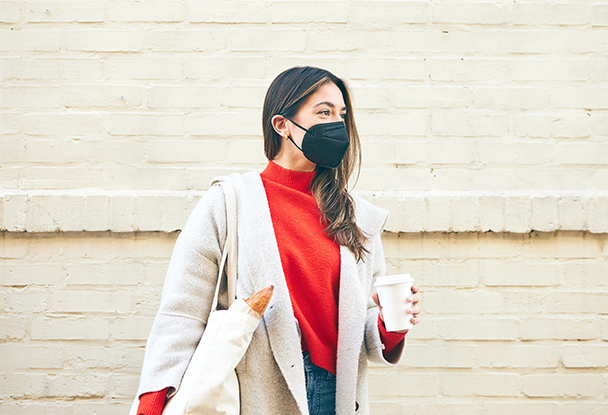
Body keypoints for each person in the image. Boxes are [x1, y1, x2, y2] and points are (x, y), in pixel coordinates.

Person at [133, 66, 421, 415]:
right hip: (257, 391)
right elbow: (182, 311)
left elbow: (367, 334)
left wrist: (391, 324)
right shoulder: (229, 203)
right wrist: (154, 400)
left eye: (341, 115)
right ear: (282, 124)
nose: (337, 125)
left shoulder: (355, 217)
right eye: (324, 112)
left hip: (337, 394)